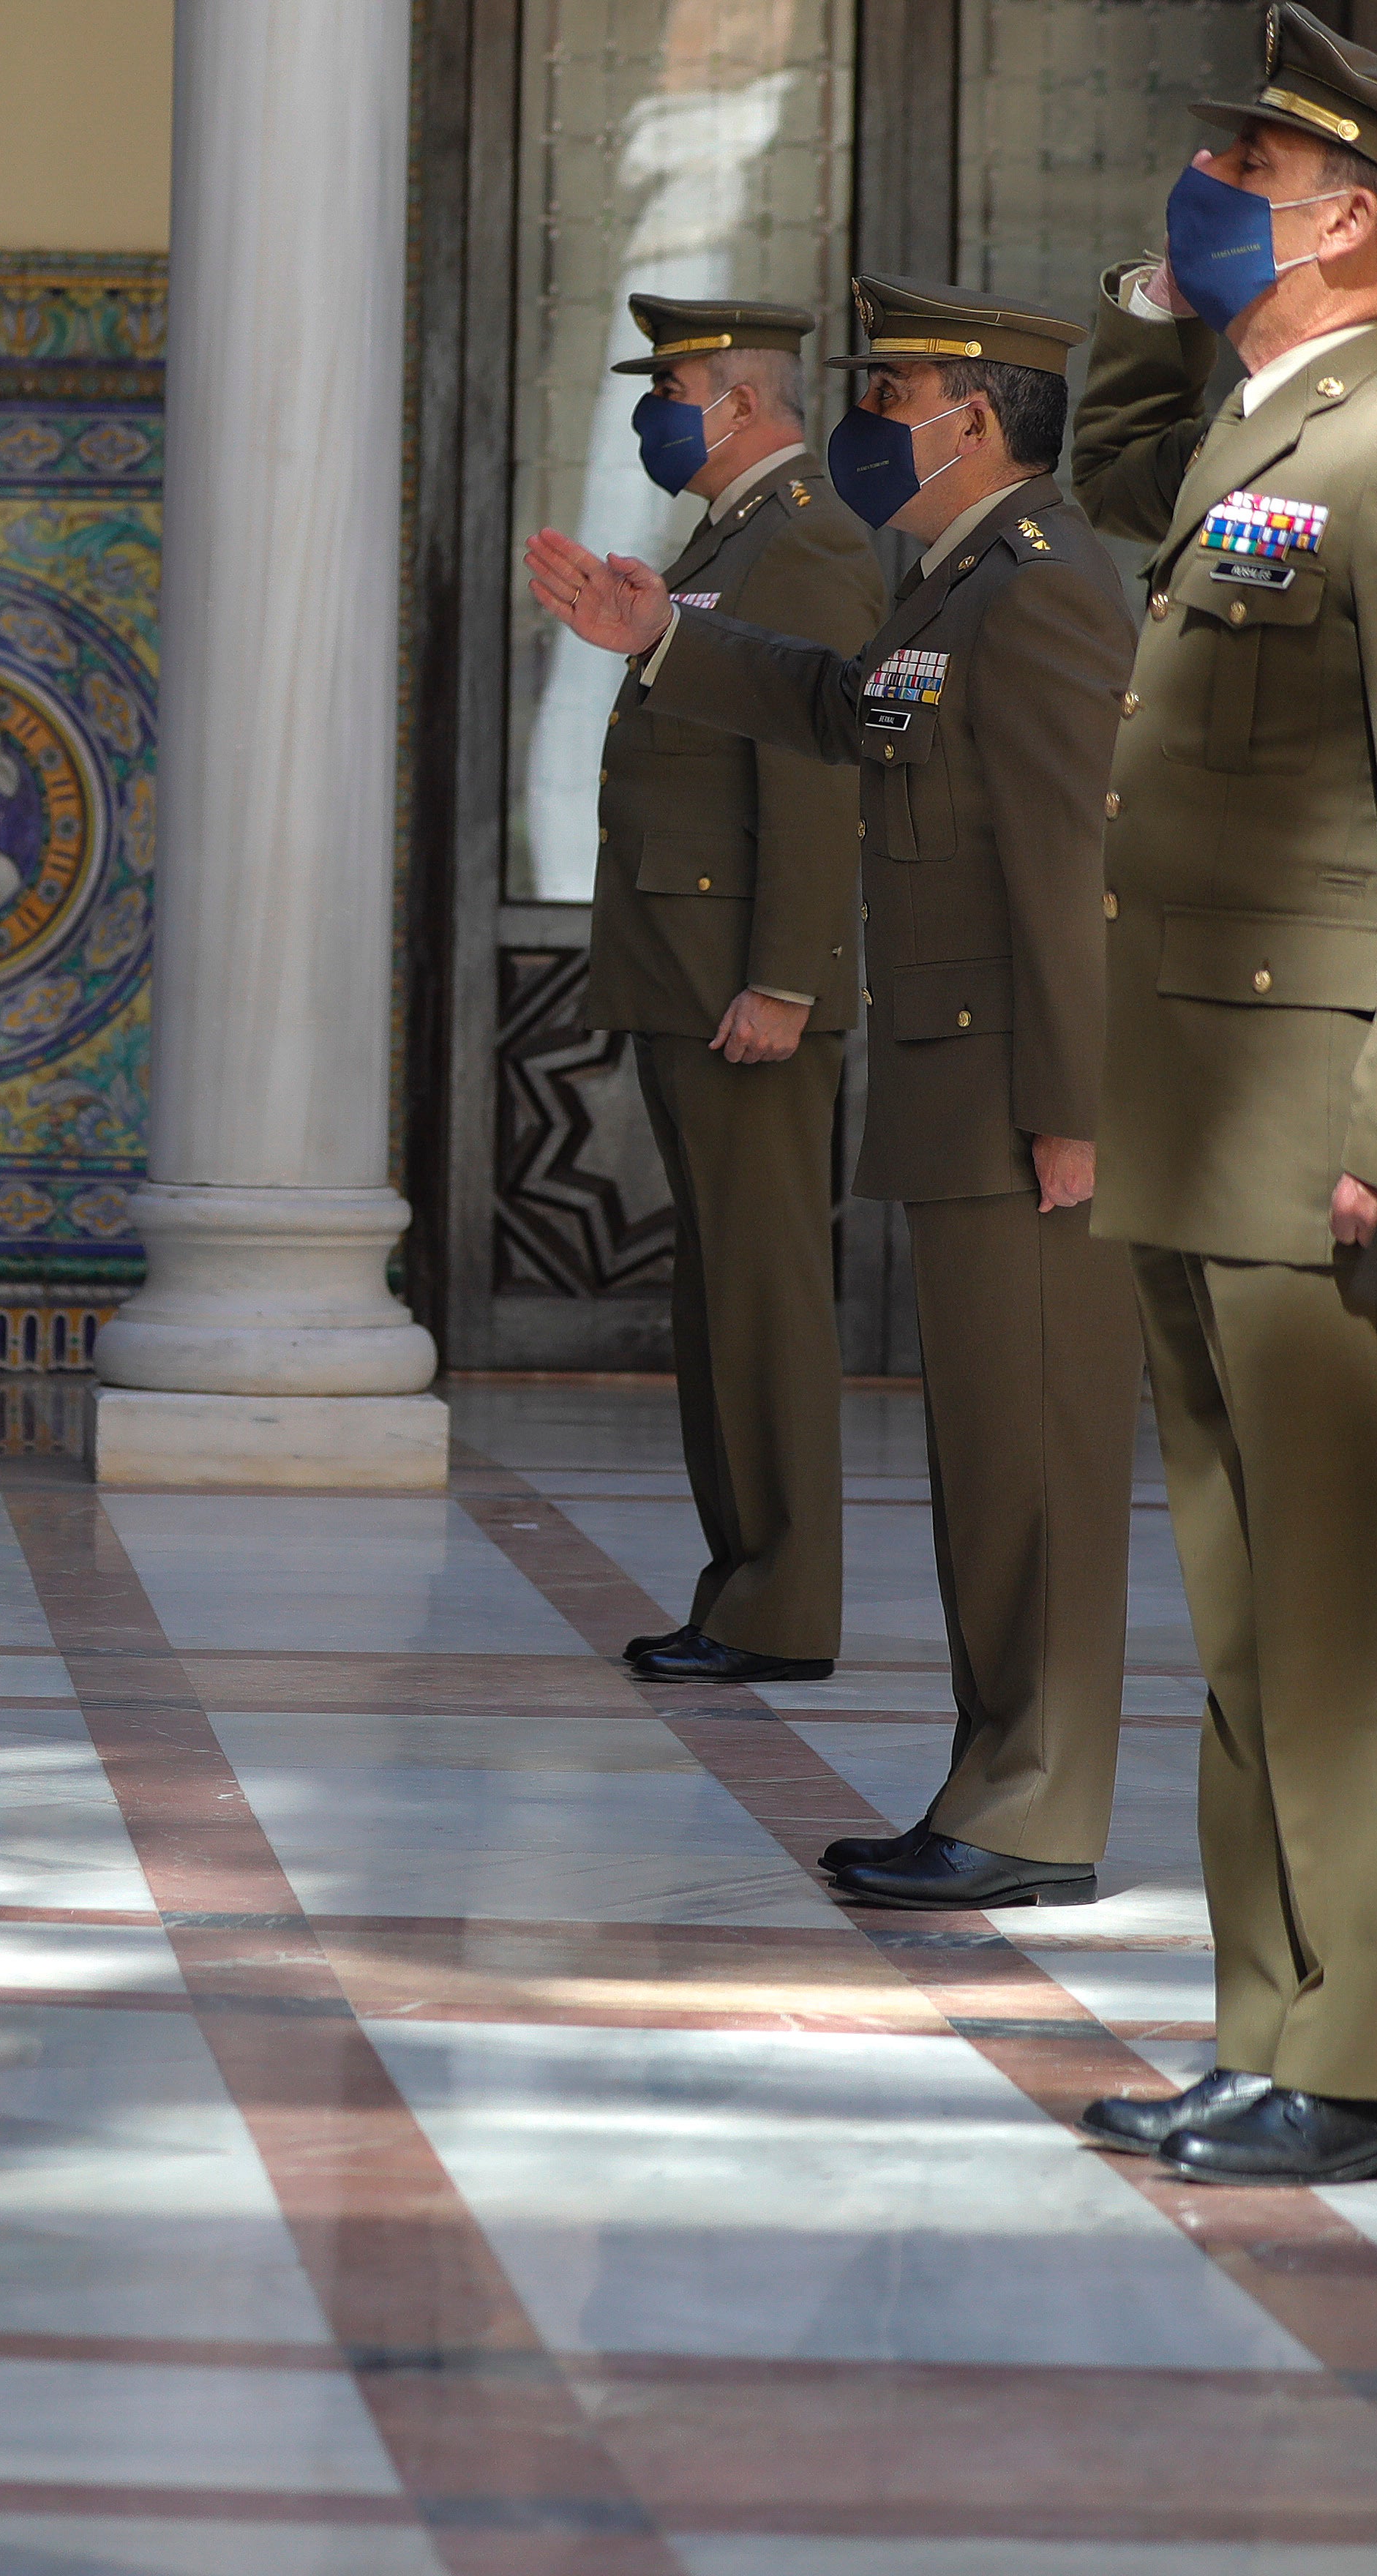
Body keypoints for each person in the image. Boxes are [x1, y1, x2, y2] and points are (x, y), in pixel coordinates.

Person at [1046, 4, 1377, 2190]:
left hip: (1317, 1111)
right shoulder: (1271, 435)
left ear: (1344, 216)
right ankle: (1284, 2028)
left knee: (1346, 1611)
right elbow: (1125, 482)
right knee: (1257, 1607)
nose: (1206, 187)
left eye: (1245, 168)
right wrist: (1158, 304)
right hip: (1204, 1107)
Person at [530, 278, 1138, 1903]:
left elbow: (1074, 865)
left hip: (1020, 1094)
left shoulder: (1045, 587)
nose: (872, 419)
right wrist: (663, 635)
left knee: (1030, 1463)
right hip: (963, 1085)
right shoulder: (949, 590)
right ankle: (998, 1776)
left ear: (978, 421)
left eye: (898, 395)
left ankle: (1030, 1798)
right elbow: (832, 709)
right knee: (983, 1463)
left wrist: (1078, 1104)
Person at [583, 294, 882, 1683]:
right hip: (684, 972)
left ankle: (779, 1604)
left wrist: (783, 979)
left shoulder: (807, 538)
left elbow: (816, 777)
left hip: (739, 987)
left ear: (747, 405)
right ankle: (740, 1587)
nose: (659, 410)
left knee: (762, 1298)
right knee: (719, 1295)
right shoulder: (732, 540)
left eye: (680, 386)